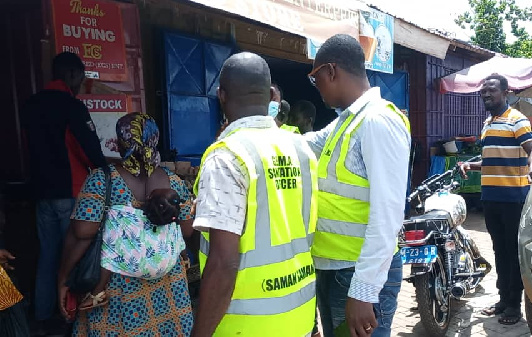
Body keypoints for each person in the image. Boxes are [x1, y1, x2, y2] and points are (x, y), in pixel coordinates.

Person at [191, 52, 318, 337]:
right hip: (299, 314)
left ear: (221, 95)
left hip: (247, 324)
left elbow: (224, 263)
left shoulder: (227, 157)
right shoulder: (301, 149)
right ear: (271, 94)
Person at [304, 34, 411, 337]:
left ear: (331, 71)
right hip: (335, 269)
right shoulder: (347, 122)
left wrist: (363, 291)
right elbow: (306, 145)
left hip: (356, 274)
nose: (317, 87)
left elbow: (388, 214)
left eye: (316, 78)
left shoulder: (377, 121)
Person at [57, 113, 195, 336]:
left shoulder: (103, 180)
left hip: (118, 286)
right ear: (154, 140)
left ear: (121, 142)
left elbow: (83, 232)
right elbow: (187, 230)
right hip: (168, 286)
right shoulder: (173, 181)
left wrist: (63, 278)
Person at [21, 52, 106, 332]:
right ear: (71, 75)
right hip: (70, 194)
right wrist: (106, 172)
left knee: (47, 255)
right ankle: (69, 318)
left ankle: (44, 315)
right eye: (80, 77)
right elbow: (88, 149)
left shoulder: (31, 105)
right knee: (72, 257)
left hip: (41, 194)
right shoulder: (72, 107)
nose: (80, 83)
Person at [459, 74, 532, 325]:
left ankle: (514, 308)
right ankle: (504, 300)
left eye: (491, 90)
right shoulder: (488, 123)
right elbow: (494, 160)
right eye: (483, 90)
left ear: (505, 92)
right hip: (491, 198)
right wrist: (470, 165)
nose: (486, 94)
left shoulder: (516, 120)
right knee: (499, 250)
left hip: (513, 198)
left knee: (512, 253)